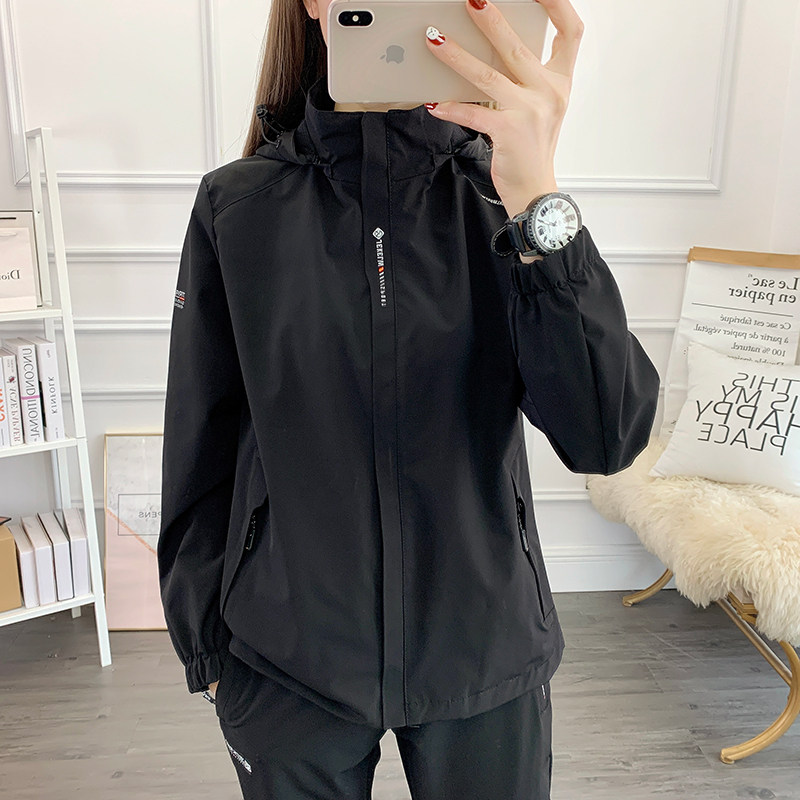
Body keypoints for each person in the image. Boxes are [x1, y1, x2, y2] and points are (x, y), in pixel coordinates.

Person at [157, 0, 660, 797]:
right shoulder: (237, 205)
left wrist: (538, 198)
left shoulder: (506, 201)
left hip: (485, 652)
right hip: (287, 663)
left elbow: (607, 436)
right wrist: (210, 653)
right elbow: (201, 438)